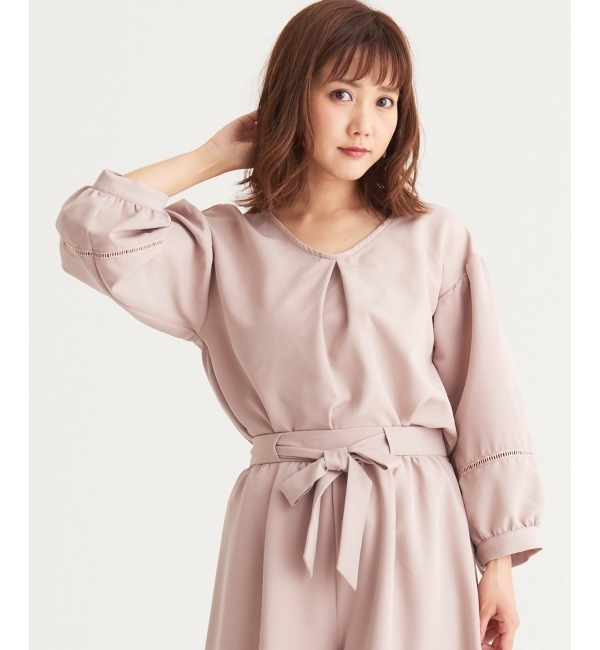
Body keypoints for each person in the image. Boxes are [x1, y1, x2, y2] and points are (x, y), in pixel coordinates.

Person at [54, 1, 546, 648]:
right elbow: (93, 228)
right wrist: (214, 156)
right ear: (294, 97)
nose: (364, 122)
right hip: (282, 522)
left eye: (385, 101)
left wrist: (498, 564)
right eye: (341, 93)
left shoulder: (435, 239)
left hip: (416, 520)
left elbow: (486, 402)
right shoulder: (222, 248)